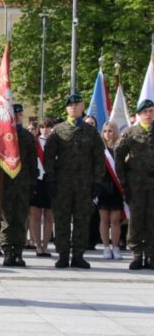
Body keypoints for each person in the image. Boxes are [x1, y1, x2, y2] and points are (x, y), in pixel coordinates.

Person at [44, 93, 104, 268]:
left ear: (82, 107)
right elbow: (48, 157)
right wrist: (51, 179)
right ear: (66, 109)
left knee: (82, 220)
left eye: (77, 105)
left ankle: (78, 255)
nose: (73, 108)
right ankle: (63, 255)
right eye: (70, 105)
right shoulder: (58, 131)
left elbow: (98, 159)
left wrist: (97, 182)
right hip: (63, 184)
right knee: (62, 220)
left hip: (84, 185)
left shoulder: (91, 132)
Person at [115, 99, 154, 270]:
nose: (149, 114)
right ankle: (137, 254)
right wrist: (124, 180)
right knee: (136, 220)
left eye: (152, 111)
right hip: (136, 184)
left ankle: (152, 255)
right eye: (145, 112)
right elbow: (118, 155)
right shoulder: (130, 133)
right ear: (138, 115)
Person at [0, 103, 38, 266]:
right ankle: (7, 252)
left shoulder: (28, 137)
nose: (16, 117)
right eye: (13, 115)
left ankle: (19, 252)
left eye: (19, 115)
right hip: (6, 182)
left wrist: (33, 184)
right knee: (7, 219)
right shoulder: (2, 135)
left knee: (21, 219)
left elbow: (32, 162)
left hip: (23, 184)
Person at [29, 118, 56, 257]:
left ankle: (45, 245)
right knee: (35, 215)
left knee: (49, 215)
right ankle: (37, 245)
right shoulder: (34, 142)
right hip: (37, 180)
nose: (45, 129)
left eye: (49, 127)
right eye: (43, 127)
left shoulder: (56, 141)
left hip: (51, 181)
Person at [97, 121, 124, 260]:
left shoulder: (120, 148)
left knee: (115, 220)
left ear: (115, 132)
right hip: (103, 187)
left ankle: (116, 247)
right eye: (105, 131)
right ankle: (106, 247)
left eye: (110, 131)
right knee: (104, 219)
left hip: (116, 187)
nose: (107, 134)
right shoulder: (99, 149)